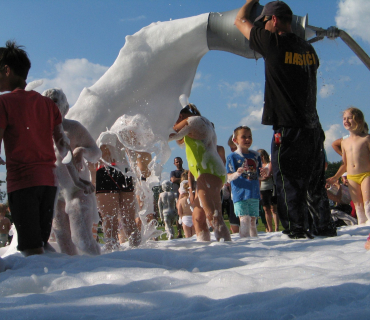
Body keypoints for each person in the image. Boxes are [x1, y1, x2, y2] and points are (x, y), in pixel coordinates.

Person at [235, 0, 336, 239]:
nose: (264, 27)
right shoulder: (308, 50)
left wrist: (250, 2)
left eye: (266, 22)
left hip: (289, 130)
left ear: (274, 20)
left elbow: (239, 21)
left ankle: (297, 231)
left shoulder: (273, 43)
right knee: (313, 184)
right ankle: (324, 227)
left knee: (287, 181)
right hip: (313, 129)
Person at [0, 41, 94, 257]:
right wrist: (77, 179)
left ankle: (44, 287)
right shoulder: (48, 105)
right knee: (41, 245)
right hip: (48, 185)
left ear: (7, 70)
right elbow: (63, 145)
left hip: (22, 183)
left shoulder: (4, 103)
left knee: (32, 251)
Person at [42, 88, 101, 256]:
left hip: (77, 190)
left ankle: (97, 268)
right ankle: (73, 273)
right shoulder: (40, 130)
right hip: (54, 192)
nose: (52, 107)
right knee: (62, 236)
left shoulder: (73, 128)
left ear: (65, 107)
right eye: (47, 103)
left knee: (82, 237)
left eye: (55, 103)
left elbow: (97, 153)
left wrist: (82, 150)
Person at [169, 103, 231, 241]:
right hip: (207, 172)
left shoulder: (194, 121)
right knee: (198, 218)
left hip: (209, 172)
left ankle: (226, 250)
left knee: (214, 216)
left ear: (180, 116)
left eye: (173, 120)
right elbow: (178, 139)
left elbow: (170, 134)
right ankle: (206, 249)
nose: (173, 123)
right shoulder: (199, 123)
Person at [327, 107, 370, 225]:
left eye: (349, 118)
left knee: (367, 204)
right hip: (352, 177)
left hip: (366, 174)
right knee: (358, 206)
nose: (346, 120)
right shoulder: (344, 142)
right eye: (344, 118)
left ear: (359, 120)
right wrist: (335, 177)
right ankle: (362, 228)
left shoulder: (366, 139)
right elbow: (345, 164)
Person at [227, 126, 262, 237]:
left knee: (253, 220)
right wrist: (237, 173)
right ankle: (245, 242)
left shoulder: (256, 155)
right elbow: (227, 176)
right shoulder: (232, 156)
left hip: (253, 193)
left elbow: (258, 174)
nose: (247, 139)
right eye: (244, 137)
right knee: (245, 219)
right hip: (240, 193)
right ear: (235, 140)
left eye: (249, 137)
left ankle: (254, 242)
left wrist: (264, 172)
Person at [257, 149, 279, 232]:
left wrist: (267, 175)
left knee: (273, 208)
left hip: (271, 187)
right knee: (266, 209)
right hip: (262, 189)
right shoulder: (258, 165)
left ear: (263, 156)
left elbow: (271, 174)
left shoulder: (269, 164)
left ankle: (276, 228)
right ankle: (270, 229)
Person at [170, 157, 184, 238]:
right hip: (176, 196)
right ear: (174, 163)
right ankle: (179, 233)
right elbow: (173, 180)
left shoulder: (186, 171)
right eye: (176, 162)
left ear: (182, 161)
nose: (178, 163)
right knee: (178, 215)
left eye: (179, 161)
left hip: (185, 195)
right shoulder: (173, 172)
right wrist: (184, 179)